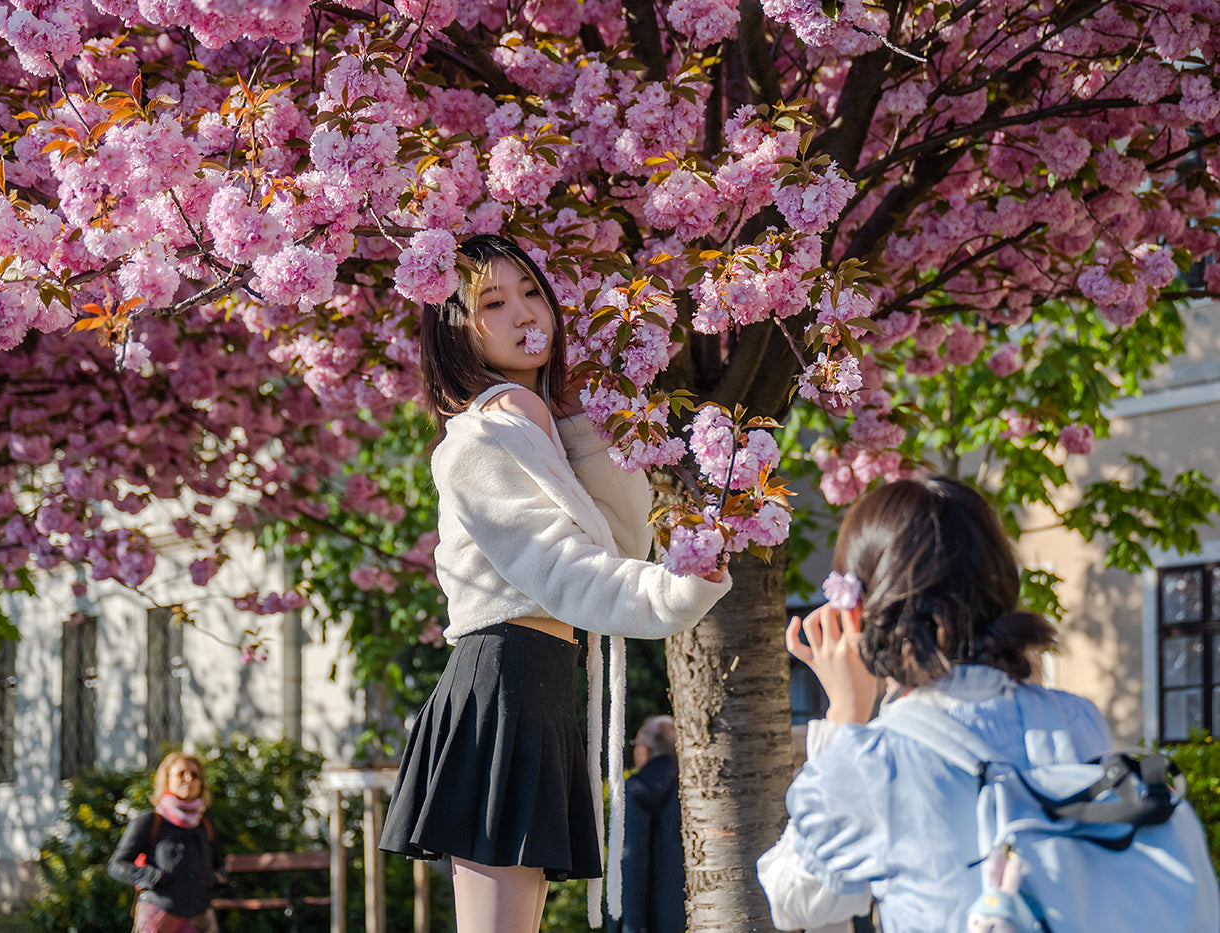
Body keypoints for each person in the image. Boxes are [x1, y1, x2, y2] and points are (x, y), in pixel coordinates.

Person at [378, 233, 731, 933]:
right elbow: (567, 571)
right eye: (493, 302)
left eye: (532, 291)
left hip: (537, 679)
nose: (523, 313)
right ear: (456, 329)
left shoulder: (534, 423)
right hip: (501, 681)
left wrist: (582, 428)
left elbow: (622, 543)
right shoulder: (478, 438)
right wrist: (681, 591)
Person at [755, 475, 1116, 933]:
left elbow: (794, 900)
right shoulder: (1076, 719)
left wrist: (844, 719)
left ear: (854, 612)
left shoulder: (873, 762)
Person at [109, 752, 226, 933]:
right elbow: (117, 865)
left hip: (200, 916)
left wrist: (213, 879)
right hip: (158, 914)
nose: (188, 779)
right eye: (181, 774)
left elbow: (219, 865)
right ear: (167, 779)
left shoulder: (206, 823)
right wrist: (153, 877)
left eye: (195, 775)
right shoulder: (150, 821)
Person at [613, 715, 686, 933]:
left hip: (647, 918)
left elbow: (631, 859)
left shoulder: (637, 789)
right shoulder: (695, 789)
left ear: (644, 751)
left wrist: (630, 925)